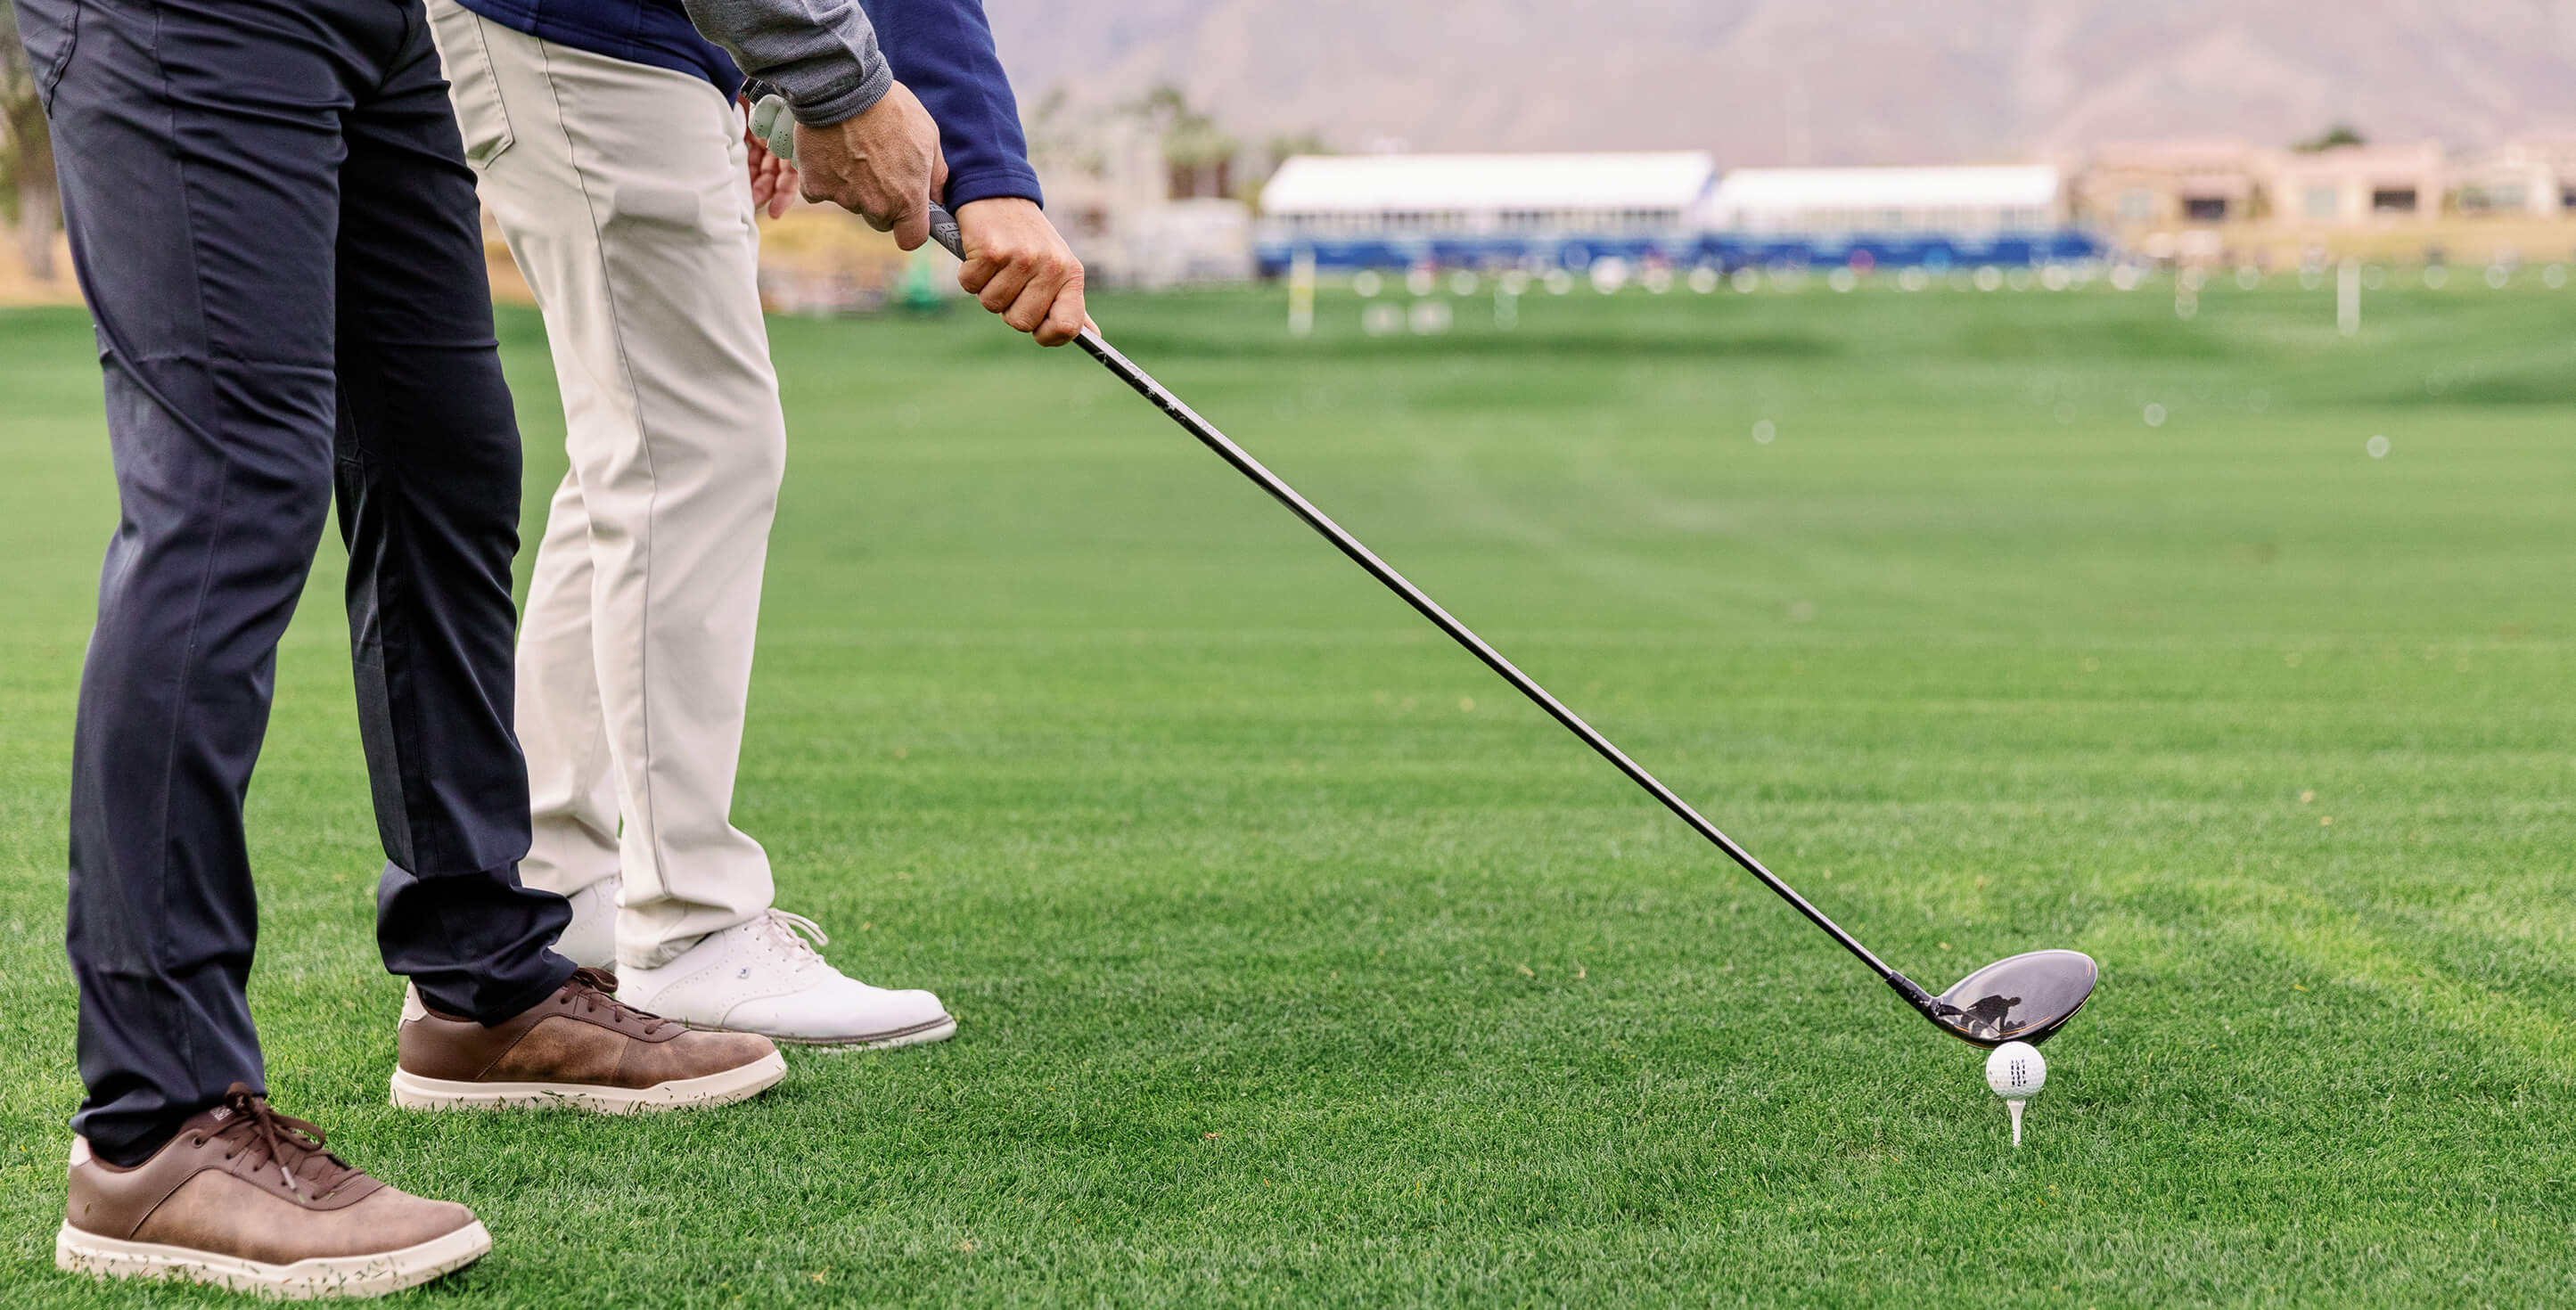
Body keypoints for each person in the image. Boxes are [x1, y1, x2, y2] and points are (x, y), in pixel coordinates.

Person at [24, 0, 832, 1295]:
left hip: (380, 22)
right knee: (229, 495)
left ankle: (478, 978)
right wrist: (824, 70)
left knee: (448, 460)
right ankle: (154, 1126)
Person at [421, 0, 1087, 1044]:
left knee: (635, 453)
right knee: (690, 446)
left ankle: (565, 885)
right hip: (585, 34)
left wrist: (747, 71)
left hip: (616, 34)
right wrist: (940, 143)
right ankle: (689, 929)